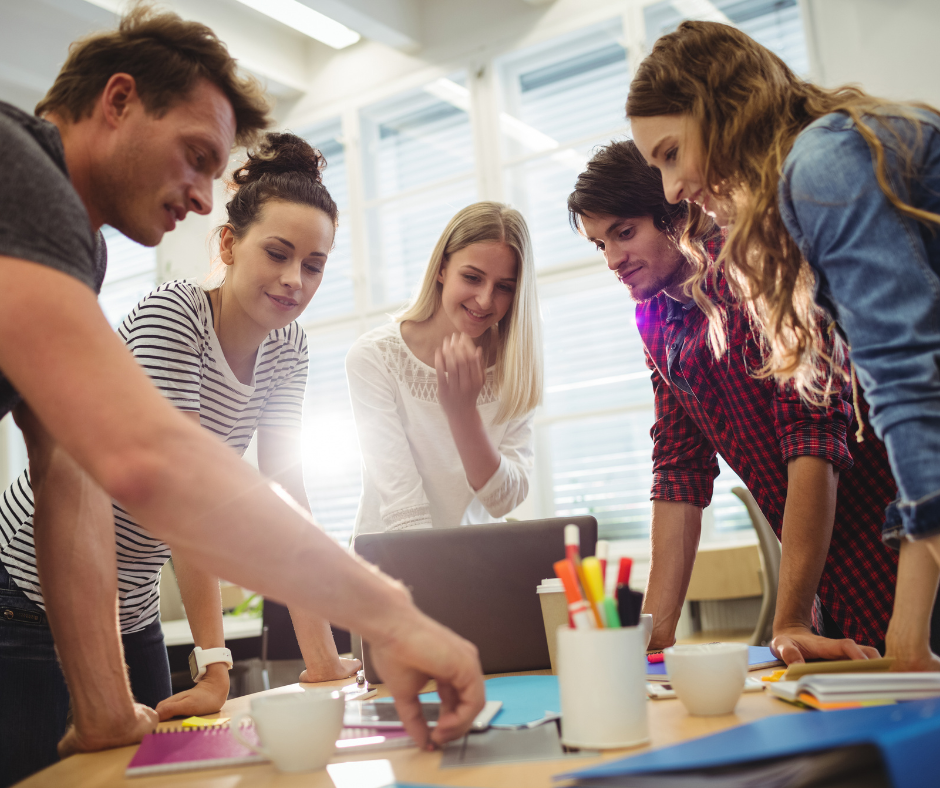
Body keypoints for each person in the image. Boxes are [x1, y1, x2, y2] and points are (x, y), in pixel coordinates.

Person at [0, 8, 483, 783]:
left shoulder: (77, 248)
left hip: (117, 616)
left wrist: (101, 704)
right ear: (117, 101)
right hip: (14, 601)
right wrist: (391, 616)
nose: (199, 196)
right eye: (194, 157)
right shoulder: (18, 169)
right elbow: (150, 464)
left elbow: (71, 469)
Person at [0, 131, 364, 780]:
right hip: (26, 593)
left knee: (156, 776)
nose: (293, 280)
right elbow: (185, 499)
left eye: (313, 265)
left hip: (130, 608)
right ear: (227, 245)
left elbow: (289, 493)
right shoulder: (177, 316)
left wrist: (324, 657)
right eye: (277, 254)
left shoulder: (289, 350)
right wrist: (215, 659)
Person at [627, 20, 940, 671]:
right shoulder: (815, 172)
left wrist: (911, 642)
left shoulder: (820, 166)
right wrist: (909, 644)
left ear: (720, 112)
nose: (672, 189)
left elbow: (912, 393)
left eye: (671, 153)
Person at [568, 140, 903, 661]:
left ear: (673, 213)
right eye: (600, 244)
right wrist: (656, 630)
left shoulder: (757, 269)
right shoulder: (654, 320)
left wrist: (788, 616)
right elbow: (679, 468)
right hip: (830, 594)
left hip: (902, 561)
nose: (612, 259)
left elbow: (812, 438)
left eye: (624, 232)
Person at [346, 202, 542, 536]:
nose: (484, 299)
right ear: (441, 268)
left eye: (504, 287)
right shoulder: (375, 357)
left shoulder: (515, 368)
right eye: (472, 277)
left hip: (469, 567)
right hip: (390, 563)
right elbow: (403, 508)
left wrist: (463, 415)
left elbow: (503, 501)